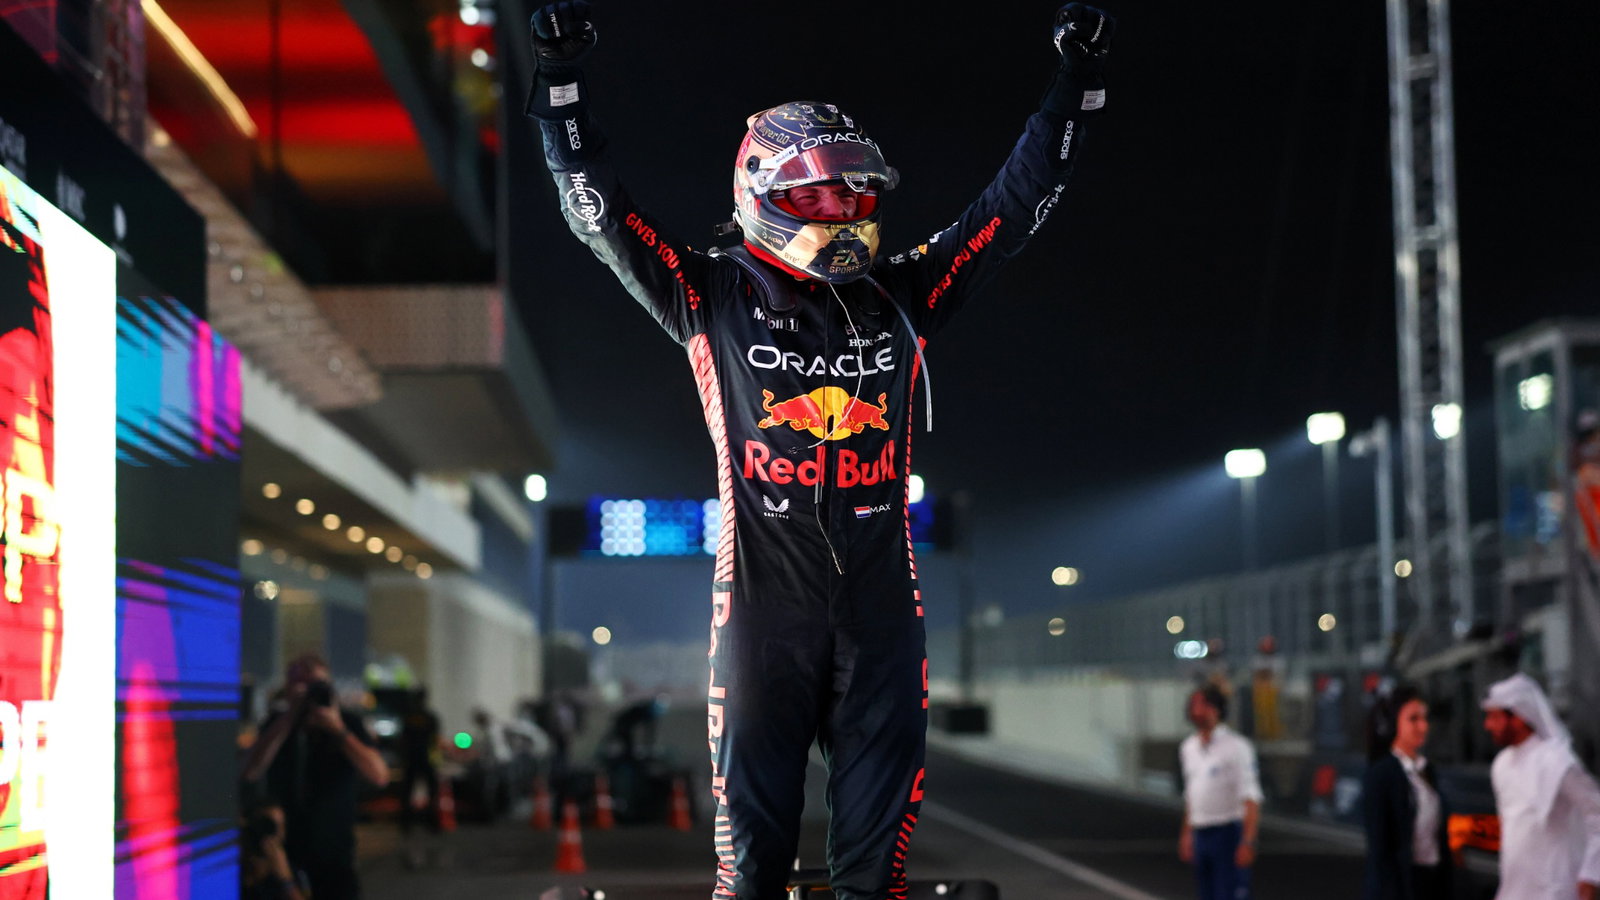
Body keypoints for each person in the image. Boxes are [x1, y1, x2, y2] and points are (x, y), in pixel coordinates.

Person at [526, 2, 1114, 896]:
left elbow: (1015, 205)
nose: (840, 210)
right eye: (815, 196)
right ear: (760, 193)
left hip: (883, 619)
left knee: (876, 877)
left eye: (854, 195)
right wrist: (561, 83)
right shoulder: (707, 295)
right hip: (762, 617)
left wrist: (1076, 85)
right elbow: (595, 212)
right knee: (750, 872)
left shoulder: (905, 295)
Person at [242, 654, 389, 900]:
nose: (308, 692)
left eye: (316, 685)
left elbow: (379, 776)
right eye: (299, 683)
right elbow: (250, 771)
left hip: (334, 854)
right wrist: (289, 717)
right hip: (284, 854)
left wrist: (337, 729)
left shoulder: (348, 722)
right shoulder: (277, 724)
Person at [1481, 673, 1600, 900]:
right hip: (1514, 889)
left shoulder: (1557, 761)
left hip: (1554, 890)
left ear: (1519, 717)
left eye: (1494, 717)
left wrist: (1591, 874)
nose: (1487, 725)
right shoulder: (1501, 764)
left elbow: (1597, 814)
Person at [1362, 684, 1453, 900]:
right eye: (1413, 719)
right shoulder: (1381, 774)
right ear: (1392, 724)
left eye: (1425, 718)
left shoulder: (1427, 769)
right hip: (1400, 886)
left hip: (1430, 880)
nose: (1423, 726)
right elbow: (1380, 849)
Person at [1178, 685, 1262, 900]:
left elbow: (1251, 797)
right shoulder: (1188, 748)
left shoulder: (1237, 746)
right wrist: (1187, 833)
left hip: (1227, 832)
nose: (1196, 710)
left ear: (1216, 709)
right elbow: (1191, 795)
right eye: (1193, 705)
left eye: (1202, 705)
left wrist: (1247, 841)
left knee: (1228, 893)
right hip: (1201, 832)